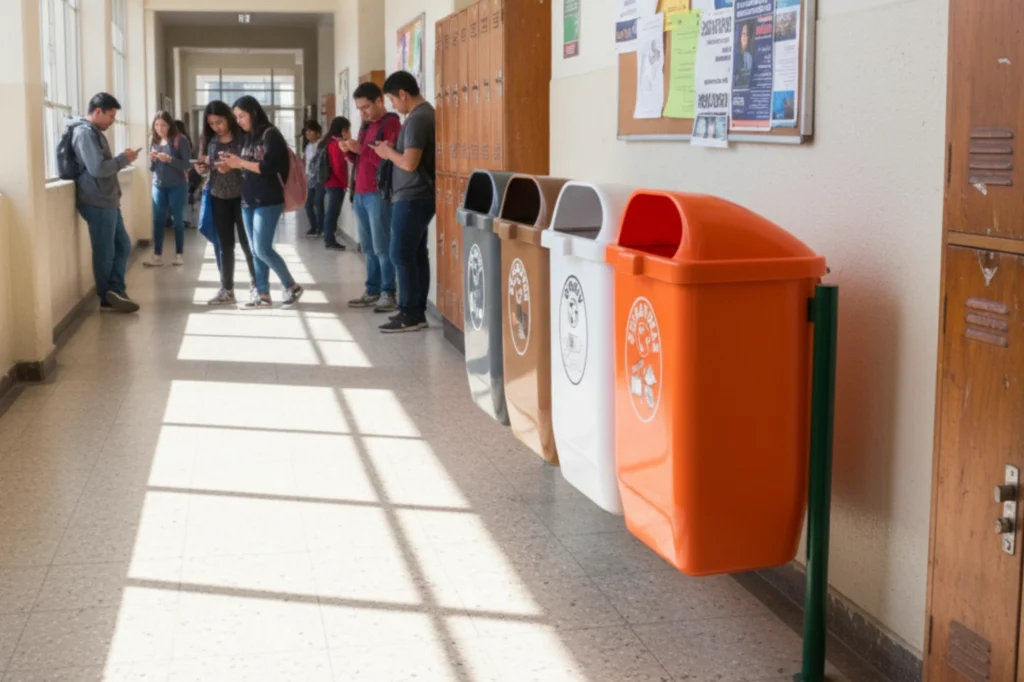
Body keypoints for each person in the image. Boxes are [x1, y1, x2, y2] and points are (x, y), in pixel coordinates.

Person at [219, 96, 304, 308]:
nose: (238, 121)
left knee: (262, 248)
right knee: (255, 250)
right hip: (248, 200)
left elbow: (269, 167)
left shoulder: (271, 134)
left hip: (268, 200)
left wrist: (240, 163)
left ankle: (291, 286)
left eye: (242, 116)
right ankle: (263, 294)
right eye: (236, 117)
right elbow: (246, 166)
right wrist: (230, 165)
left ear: (253, 113)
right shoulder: (247, 137)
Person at [372, 71, 435, 333]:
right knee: (415, 254)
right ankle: (416, 312)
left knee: (400, 253)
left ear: (402, 94)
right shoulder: (422, 115)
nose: (393, 105)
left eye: (392, 100)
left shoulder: (418, 118)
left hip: (413, 196)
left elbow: (409, 163)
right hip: (416, 195)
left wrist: (387, 152)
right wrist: (391, 148)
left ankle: (409, 313)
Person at [65, 92, 139, 313]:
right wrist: (123, 159)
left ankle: (115, 290)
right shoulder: (84, 133)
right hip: (96, 200)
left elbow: (100, 165)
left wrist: (121, 160)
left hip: (107, 199)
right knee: (104, 251)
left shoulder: (93, 132)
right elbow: (97, 169)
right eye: (111, 116)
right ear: (98, 111)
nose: (112, 121)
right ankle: (107, 298)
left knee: (123, 245)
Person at [341, 82, 402, 313]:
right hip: (360, 193)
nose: (362, 113)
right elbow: (362, 160)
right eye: (359, 108)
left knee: (382, 246)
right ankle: (372, 290)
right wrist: (349, 151)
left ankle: (388, 292)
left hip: (378, 193)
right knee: (367, 247)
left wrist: (361, 150)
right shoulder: (366, 125)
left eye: (366, 107)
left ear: (379, 101)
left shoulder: (391, 123)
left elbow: (388, 160)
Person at [196, 100, 258, 305]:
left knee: (248, 244)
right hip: (218, 196)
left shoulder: (243, 136)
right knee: (224, 244)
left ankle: (257, 285)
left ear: (229, 118)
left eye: (220, 122)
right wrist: (202, 168)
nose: (216, 127)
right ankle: (227, 288)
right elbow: (205, 166)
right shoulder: (209, 140)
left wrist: (233, 167)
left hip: (242, 197)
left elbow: (253, 165)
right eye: (212, 123)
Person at [144, 111, 191, 267]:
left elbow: (187, 164)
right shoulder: (154, 140)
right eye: (157, 125)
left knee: (177, 220)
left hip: (177, 185)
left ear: (170, 125)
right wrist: (152, 160)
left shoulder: (180, 140)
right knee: (158, 220)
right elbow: (152, 168)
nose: (159, 128)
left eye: (163, 125)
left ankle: (179, 254)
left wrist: (170, 159)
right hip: (158, 185)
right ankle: (157, 255)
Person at [320, 116, 351, 251]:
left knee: (332, 211)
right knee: (333, 212)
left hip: (330, 182)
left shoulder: (329, 142)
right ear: (343, 130)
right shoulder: (336, 144)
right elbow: (338, 167)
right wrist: (345, 183)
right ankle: (329, 239)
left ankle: (329, 237)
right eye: (348, 129)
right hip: (335, 183)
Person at [302, 120, 326, 239]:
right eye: (306, 131)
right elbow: (306, 163)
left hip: (319, 179)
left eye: (310, 131)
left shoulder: (322, 145)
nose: (307, 133)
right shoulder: (308, 146)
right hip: (309, 179)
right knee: (308, 204)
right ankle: (313, 226)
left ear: (317, 133)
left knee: (318, 202)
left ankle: (321, 228)